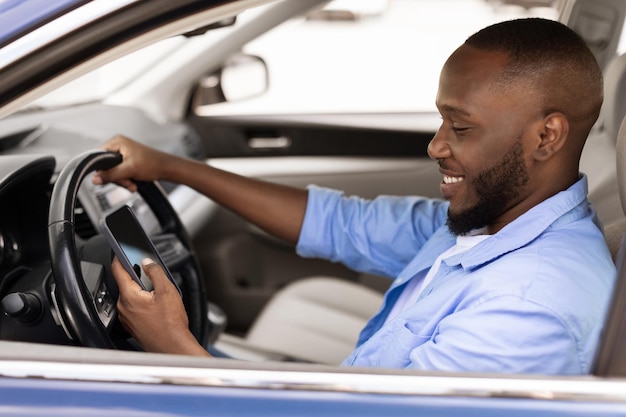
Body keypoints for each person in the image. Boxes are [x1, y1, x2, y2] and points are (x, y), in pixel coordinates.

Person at [93, 17, 616, 374]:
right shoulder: (494, 220)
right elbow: (338, 222)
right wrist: (171, 167)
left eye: (460, 126)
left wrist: (173, 347)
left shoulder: (526, 308)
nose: (436, 146)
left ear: (546, 137)